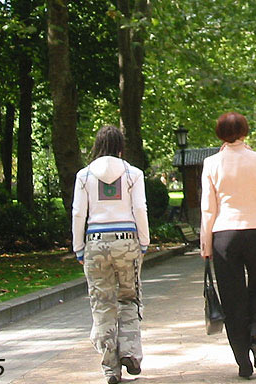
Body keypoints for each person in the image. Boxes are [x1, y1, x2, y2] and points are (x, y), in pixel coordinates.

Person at [200, 112, 256, 379]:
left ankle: (242, 361)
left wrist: (205, 243)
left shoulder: (211, 163)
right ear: (245, 131)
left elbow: (207, 208)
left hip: (224, 234)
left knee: (233, 300)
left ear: (219, 133)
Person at [71, 126, 150, 384]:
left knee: (102, 304)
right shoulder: (133, 174)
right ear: (120, 146)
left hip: (95, 241)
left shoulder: (84, 176)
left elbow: (78, 214)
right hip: (127, 241)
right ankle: (129, 352)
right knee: (129, 296)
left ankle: (109, 367)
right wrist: (144, 242)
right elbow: (139, 208)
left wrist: (78, 246)